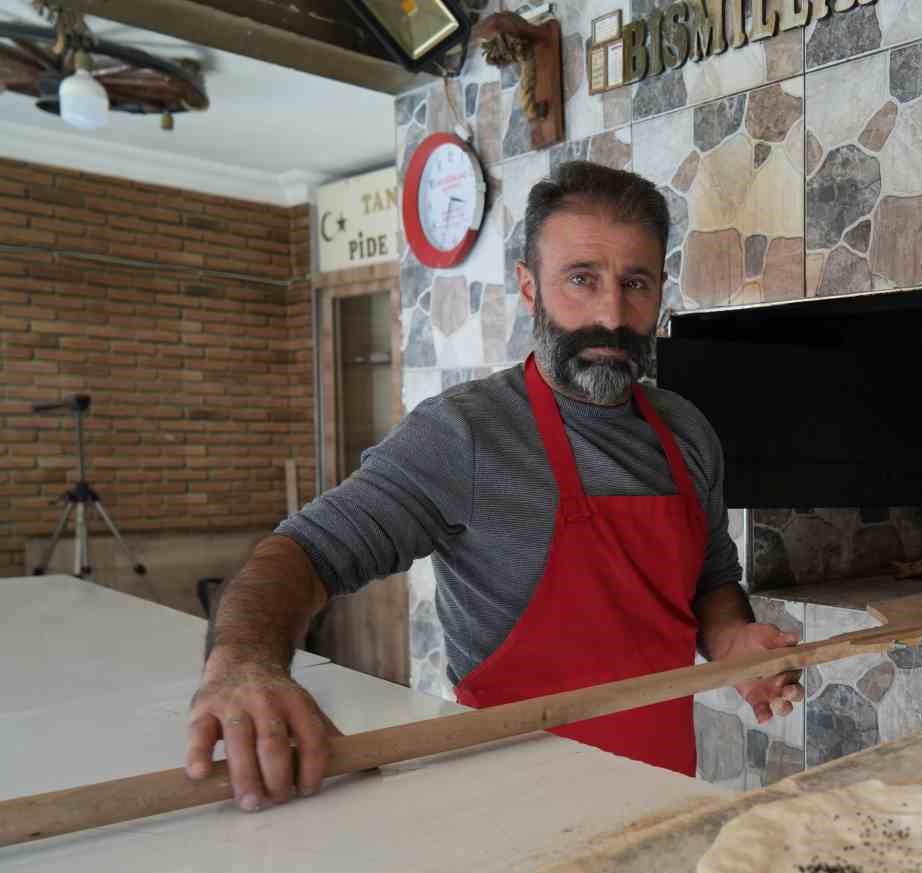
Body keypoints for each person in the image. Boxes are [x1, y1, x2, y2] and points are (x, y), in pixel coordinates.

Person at [187, 161, 802, 811]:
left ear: (660, 292)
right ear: (529, 287)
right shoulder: (466, 435)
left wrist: (735, 643)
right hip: (509, 808)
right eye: (581, 280)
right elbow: (305, 552)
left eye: (636, 283)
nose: (611, 313)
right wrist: (244, 663)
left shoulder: (688, 432)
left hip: (661, 791)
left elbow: (710, 582)